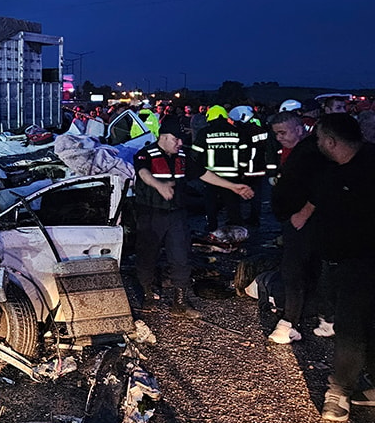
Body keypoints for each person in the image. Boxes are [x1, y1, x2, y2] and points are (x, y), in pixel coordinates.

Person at [133, 118, 255, 318]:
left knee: (181, 256)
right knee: (147, 255)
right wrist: (159, 185)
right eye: (176, 139)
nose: (180, 143)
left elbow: (204, 174)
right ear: (163, 136)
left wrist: (233, 186)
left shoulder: (183, 156)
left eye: (181, 139)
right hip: (151, 213)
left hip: (177, 214)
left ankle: (179, 301)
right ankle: (148, 292)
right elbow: (143, 173)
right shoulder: (145, 154)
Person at [300, 114, 375, 421]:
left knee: (352, 329)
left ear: (331, 141)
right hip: (340, 261)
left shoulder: (366, 168)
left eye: (319, 139)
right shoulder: (333, 171)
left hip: (361, 261)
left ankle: (339, 392)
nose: (317, 145)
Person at [267, 110, 331, 344]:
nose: (279, 138)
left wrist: (303, 214)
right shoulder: (293, 151)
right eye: (276, 134)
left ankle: (289, 322)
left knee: (293, 270)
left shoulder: (310, 153)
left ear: (298, 129)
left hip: (303, 220)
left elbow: (320, 187)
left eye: (283, 133)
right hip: (296, 218)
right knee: (312, 268)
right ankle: (325, 316)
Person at [192, 105, 248, 231]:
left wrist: (199, 169)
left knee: (210, 203)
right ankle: (237, 227)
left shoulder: (204, 132)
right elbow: (244, 153)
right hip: (232, 175)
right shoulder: (237, 132)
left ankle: (212, 226)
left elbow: (195, 153)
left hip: (211, 176)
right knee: (233, 203)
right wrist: (242, 170)